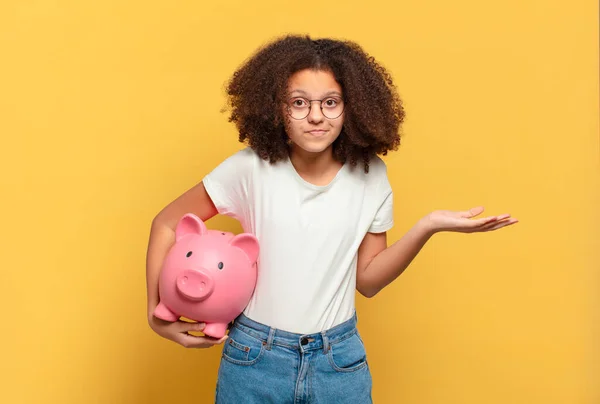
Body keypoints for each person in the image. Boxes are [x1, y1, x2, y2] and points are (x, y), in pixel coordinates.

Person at [145, 35, 518, 403]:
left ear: (351, 107)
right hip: (255, 358)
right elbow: (166, 223)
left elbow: (368, 281)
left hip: (337, 363)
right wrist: (155, 312)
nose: (316, 116)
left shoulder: (371, 175)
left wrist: (428, 226)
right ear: (276, 109)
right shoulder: (250, 168)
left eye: (330, 102)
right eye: (299, 103)